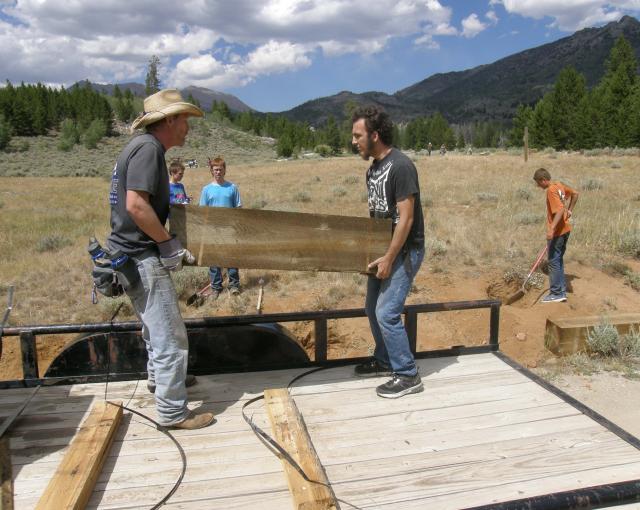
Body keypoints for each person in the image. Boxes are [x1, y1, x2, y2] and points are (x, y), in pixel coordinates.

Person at [107, 89, 214, 430]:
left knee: (155, 329)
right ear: (169, 120)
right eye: (184, 119)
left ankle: (160, 382)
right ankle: (172, 412)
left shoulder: (141, 148)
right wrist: (168, 243)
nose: (187, 127)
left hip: (129, 255)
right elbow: (136, 206)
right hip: (142, 256)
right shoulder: (149, 149)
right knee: (169, 334)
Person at [351, 105, 426, 399]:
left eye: (358, 135)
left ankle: (408, 375)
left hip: (404, 251)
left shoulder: (401, 166)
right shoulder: (373, 169)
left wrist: (390, 258)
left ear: (375, 135)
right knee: (372, 308)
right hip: (383, 251)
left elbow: (405, 219)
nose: (354, 141)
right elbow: (378, 217)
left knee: (387, 313)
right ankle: (385, 360)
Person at [533, 167, 579, 303]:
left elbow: (559, 210)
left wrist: (552, 228)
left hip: (558, 232)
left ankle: (557, 293)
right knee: (557, 260)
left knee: (553, 261)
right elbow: (576, 193)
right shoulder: (559, 185)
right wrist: (569, 211)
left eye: (538, 182)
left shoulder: (551, 190)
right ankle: (561, 291)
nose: (537, 185)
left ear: (543, 180)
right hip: (565, 229)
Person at [199, 156, 242, 298]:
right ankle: (216, 287)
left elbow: (238, 208)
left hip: (229, 229)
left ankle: (234, 285)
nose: (218, 172)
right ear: (211, 171)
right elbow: (202, 211)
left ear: (225, 170)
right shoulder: (206, 189)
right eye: (215, 169)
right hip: (213, 230)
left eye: (220, 169)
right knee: (214, 259)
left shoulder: (232, 188)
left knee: (232, 257)